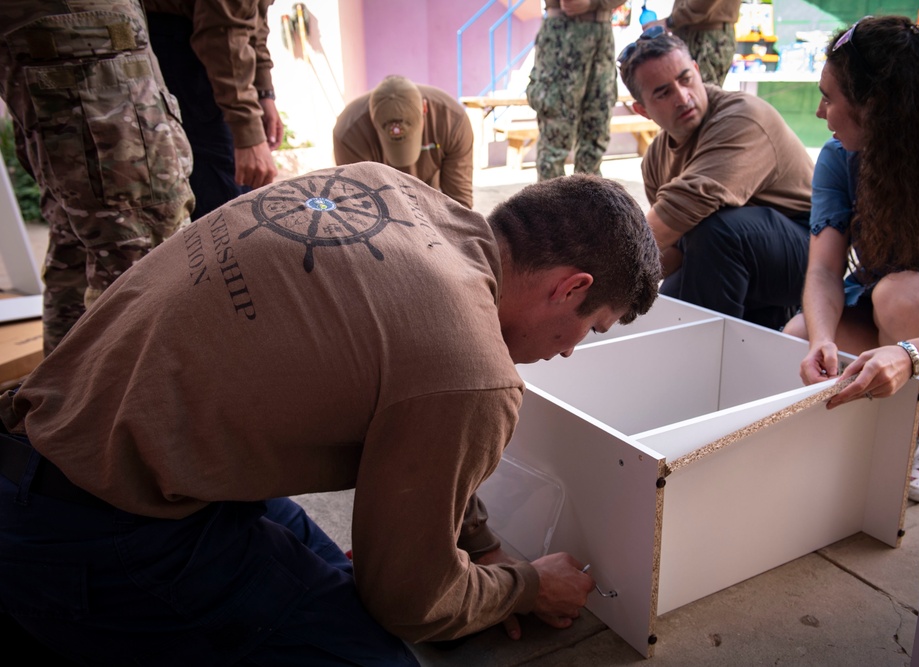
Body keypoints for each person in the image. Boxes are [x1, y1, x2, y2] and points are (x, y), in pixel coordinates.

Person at [0, 162, 661, 663]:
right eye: (590, 326)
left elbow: (425, 432)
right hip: (91, 537)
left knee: (340, 580)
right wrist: (525, 588)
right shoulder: (473, 371)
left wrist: (481, 545)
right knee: (386, 652)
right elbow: (410, 600)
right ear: (570, 286)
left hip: (46, 441)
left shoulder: (385, 186)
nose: (571, 351)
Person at [784, 16, 919, 503]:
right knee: (795, 339)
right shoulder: (841, 158)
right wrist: (819, 338)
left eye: (830, 97)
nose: (820, 112)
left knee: (903, 294)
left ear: (877, 108)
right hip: (886, 314)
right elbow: (822, 270)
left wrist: (912, 354)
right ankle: (880, 434)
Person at [0, 0, 194, 355]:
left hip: (70, 30)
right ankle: (137, 407)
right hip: (79, 24)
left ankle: (66, 404)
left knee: (81, 241)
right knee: (148, 250)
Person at [617, 27, 813, 329]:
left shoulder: (742, 117)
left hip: (808, 254)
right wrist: (616, 300)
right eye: (663, 93)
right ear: (642, 110)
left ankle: (704, 359)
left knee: (717, 231)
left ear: (697, 70)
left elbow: (681, 211)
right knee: (659, 314)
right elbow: (669, 248)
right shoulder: (656, 157)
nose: (683, 97)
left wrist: (604, 271)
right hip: (730, 251)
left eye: (685, 79)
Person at [146, 0, 282, 221]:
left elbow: (253, 16)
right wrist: (247, 130)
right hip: (190, 49)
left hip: (222, 55)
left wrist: (264, 92)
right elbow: (223, 30)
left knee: (244, 198)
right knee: (227, 207)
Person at [334, 75, 474, 209]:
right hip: (380, 197)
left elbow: (460, 205)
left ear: (424, 109)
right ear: (372, 117)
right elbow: (359, 205)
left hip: (429, 195)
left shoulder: (452, 122)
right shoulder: (348, 133)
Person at [525, 0, 620, 181]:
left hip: (603, 33)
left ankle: (588, 204)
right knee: (555, 138)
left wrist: (594, 2)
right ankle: (548, 206)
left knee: (596, 129)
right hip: (562, 32)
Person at [644, 0, 742, 86]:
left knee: (697, 98)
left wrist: (670, 22)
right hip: (695, 32)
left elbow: (702, 5)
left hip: (706, 35)